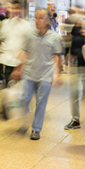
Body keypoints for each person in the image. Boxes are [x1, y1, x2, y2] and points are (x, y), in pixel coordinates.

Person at [13, 9, 63, 140]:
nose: (37, 21)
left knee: (41, 102)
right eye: (35, 18)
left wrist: (56, 75)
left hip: (45, 75)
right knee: (23, 98)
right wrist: (18, 69)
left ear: (47, 21)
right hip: (29, 73)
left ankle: (36, 129)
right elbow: (25, 53)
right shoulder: (29, 35)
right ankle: (25, 122)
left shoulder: (55, 37)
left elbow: (56, 58)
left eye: (40, 18)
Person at [0, 0, 32, 88]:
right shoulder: (2, 24)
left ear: (21, 10)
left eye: (16, 8)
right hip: (7, 61)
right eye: (11, 8)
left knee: (22, 90)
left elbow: (31, 44)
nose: (14, 11)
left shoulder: (27, 25)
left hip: (21, 64)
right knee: (8, 88)